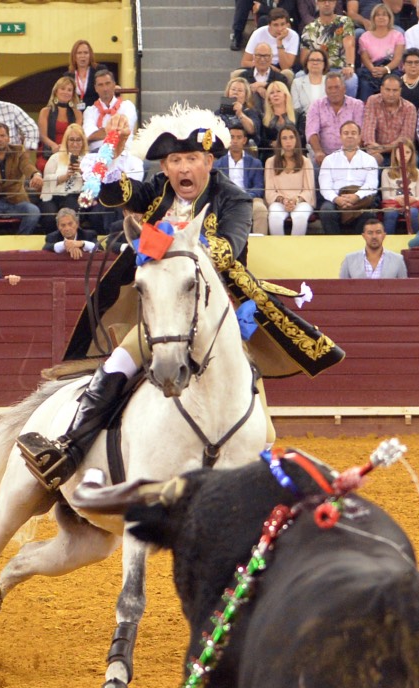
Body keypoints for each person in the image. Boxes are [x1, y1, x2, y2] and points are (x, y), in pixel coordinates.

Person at [17, 105, 344, 491]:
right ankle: (70, 449)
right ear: (165, 167)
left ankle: (254, 476)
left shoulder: (234, 199)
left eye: (191, 159)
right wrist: (112, 150)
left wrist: (159, 241)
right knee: (119, 363)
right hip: (163, 314)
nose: (183, 168)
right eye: (175, 161)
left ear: (209, 161)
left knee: (263, 424)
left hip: (217, 316)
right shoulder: (158, 189)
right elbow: (112, 193)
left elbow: (225, 250)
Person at [318, 118, 379, 233]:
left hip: (361, 199)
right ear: (340, 136)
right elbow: (325, 186)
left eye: (353, 133)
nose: (350, 136)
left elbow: (371, 185)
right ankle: (334, 242)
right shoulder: (329, 160)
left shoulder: (369, 160)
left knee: (369, 214)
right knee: (326, 211)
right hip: (336, 198)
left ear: (360, 137)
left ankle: (358, 243)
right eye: (346, 133)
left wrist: (356, 196)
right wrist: (337, 199)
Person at [217, 120, 270, 233]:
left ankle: (261, 241)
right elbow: (216, 187)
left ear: (244, 140)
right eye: (232, 137)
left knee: (260, 210)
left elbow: (259, 187)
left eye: (239, 137)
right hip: (226, 199)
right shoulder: (218, 164)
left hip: (249, 198)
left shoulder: (255, 163)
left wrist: (245, 196)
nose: (235, 141)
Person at [264, 121, 315, 234]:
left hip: (301, 201)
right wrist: (283, 200)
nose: (288, 141)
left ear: (296, 140)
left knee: (300, 217)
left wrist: (296, 200)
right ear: (280, 141)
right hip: (279, 201)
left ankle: (296, 245)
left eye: (291, 137)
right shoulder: (270, 162)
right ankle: (278, 245)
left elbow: (308, 191)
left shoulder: (306, 162)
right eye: (284, 138)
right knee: (275, 216)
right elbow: (270, 191)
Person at [300, 0, 359, 97]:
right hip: (317, 69)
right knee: (299, 76)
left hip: (339, 69)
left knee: (351, 80)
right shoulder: (309, 28)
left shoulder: (345, 22)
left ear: (335, 2)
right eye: (323, 1)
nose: (327, 4)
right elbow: (304, 58)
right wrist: (314, 69)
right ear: (317, 3)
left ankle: (348, 106)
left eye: (330, 1)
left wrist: (350, 66)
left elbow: (349, 45)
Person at [305, 71, 365, 162]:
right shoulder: (316, 105)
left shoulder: (356, 105)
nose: (333, 91)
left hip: (350, 155)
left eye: (337, 87)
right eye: (330, 88)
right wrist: (318, 152)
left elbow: (359, 133)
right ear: (325, 90)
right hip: (324, 156)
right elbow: (312, 132)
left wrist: (349, 156)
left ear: (344, 89)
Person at [360, 72, 417, 165]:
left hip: (399, 152)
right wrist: (372, 147)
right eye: (387, 90)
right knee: (372, 160)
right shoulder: (373, 101)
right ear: (381, 89)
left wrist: (383, 148)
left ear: (400, 91)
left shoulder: (409, 108)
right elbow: (368, 129)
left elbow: (406, 139)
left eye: (395, 90)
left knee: (409, 158)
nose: (391, 94)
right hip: (376, 150)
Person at [39, 123, 88, 230]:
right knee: (49, 216)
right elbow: (46, 181)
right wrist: (64, 177)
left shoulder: (88, 160)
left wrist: (82, 172)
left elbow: (94, 184)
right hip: (52, 196)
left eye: (78, 140)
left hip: (75, 196)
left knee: (70, 212)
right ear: (66, 141)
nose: (75, 144)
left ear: (83, 142)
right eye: (71, 140)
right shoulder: (55, 158)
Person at [356, 4, 405, 102]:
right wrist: (373, 70)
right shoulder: (365, 36)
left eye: (384, 15)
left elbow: (397, 58)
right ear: (373, 18)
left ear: (389, 18)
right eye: (378, 15)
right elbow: (364, 58)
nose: (381, 17)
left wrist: (385, 69)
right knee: (365, 84)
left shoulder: (397, 35)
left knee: (394, 82)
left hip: (391, 69)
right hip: (371, 70)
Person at [82, 68, 137, 153]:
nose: (105, 89)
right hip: (96, 154)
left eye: (108, 83)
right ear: (96, 88)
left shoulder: (127, 106)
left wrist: (101, 133)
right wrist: (114, 131)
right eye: (100, 85)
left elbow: (124, 130)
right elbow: (89, 135)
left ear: (114, 85)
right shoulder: (89, 111)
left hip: (123, 152)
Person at [339, 213, 409, 277]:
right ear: (364, 236)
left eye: (378, 232)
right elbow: (342, 285)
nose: (374, 236)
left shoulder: (397, 259)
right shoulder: (349, 259)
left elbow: (404, 285)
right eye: (370, 233)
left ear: (384, 235)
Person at [37, 75, 81, 174]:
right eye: (63, 89)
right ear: (56, 91)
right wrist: (54, 146)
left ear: (73, 94)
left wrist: (65, 147)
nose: (66, 92)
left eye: (69, 90)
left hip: (71, 150)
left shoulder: (77, 114)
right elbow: (42, 136)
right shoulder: (45, 111)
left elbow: (77, 134)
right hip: (50, 151)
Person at [380, 136, 419, 232]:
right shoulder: (386, 172)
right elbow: (385, 196)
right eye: (400, 152)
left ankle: (417, 238)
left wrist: (412, 199)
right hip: (393, 204)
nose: (404, 155)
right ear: (395, 154)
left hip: (412, 204)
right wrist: (396, 199)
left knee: (413, 213)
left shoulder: (418, 173)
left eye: (407, 152)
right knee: (390, 213)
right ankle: (387, 239)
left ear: (412, 154)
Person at [242, 7, 300, 72]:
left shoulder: (293, 36)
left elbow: (285, 67)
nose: (280, 29)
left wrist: (279, 42)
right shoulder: (258, 33)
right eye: (275, 25)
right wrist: (270, 68)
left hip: (281, 67)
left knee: (288, 73)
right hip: (260, 65)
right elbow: (245, 62)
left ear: (287, 24)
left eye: (282, 24)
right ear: (269, 25)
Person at [234, 42, 290, 107]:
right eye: (259, 56)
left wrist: (265, 85)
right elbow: (237, 96)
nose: (262, 59)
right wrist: (257, 89)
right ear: (253, 57)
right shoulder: (243, 77)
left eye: (266, 56)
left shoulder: (280, 78)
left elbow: (285, 100)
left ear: (271, 57)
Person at [259, 81, 298, 159]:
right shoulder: (262, 117)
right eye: (272, 93)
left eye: (278, 91)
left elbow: (302, 137)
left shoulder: (298, 115)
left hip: (295, 155)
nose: (275, 95)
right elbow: (260, 139)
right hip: (270, 156)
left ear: (285, 95)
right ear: (269, 99)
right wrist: (271, 143)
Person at [222, 76, 263, 142]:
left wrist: (240, 114)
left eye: (240, 90)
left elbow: (252, 130)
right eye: (233, 89)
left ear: (246, 95)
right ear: (228, 92)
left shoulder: (252, 112)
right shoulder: (219, 112)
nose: (235, 92)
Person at [291, 48, 329, 118]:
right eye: (312, 60)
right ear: (307, 63)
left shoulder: (330, 82)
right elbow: (296, 108)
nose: (315, 63)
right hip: (304, 120)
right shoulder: (297, 83)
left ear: (324, 64)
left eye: (318, 60)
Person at [66, 40, 99, 110]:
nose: (82, 56)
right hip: (74, 112)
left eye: (86, 53)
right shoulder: (68, 76)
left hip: (95, 111)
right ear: (74, 56)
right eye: (79, 53)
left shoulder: (98, 71)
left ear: (90, 55)